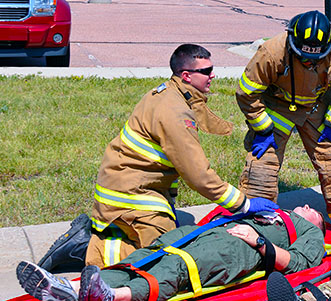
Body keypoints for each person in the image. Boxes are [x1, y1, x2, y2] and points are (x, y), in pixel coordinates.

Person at [38, 44, 278, 272]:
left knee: (169, 238)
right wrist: (243, 204)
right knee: (164, 254)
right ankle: (84, 248)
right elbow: (198, 176)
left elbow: (167, 158)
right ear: (186, 75)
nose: (212, 75)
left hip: (132, 183)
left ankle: (112, 231)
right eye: (206, 71)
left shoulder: (171, 92)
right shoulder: (174, 112)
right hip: (130, 193)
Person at [17, 205, 326, 301]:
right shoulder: (274, 210)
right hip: (210, 232)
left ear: (317, 222)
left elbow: (298, 265)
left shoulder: (311, 234)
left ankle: (113, 296)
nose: (307, 208)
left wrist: (259, 242)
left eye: (314, 212)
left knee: (176, 267)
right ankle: (68, 288)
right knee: (145, 256)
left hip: (237, 249)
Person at [235, 10, 331, 228]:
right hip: (278, 106)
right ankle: (258, 225)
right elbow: (247, 93)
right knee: (262, 168)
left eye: (315, 58)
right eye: (302, 56)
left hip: (315, 106)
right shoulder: (272, 53)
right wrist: (262, 129)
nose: (308, 62)